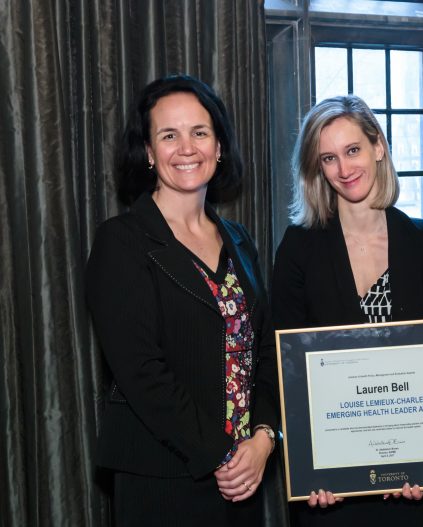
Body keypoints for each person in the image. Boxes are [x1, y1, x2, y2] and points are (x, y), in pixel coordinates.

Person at [272, 95, 423, 527]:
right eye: (328, 158)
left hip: (419, 488)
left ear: (378, 147)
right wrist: (314, 463)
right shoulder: (298, 247)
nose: (344, 169)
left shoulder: (422, 241)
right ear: (317, 169)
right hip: (333, 489)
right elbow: (285, 368)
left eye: (353, 151)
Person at [86, 75, 279, 526]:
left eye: (200, 132)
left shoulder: (239, 240)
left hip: (245, 477)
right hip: (163, 479)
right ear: (149, 152)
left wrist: (265, 439)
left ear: (219, 146)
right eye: (169, 135)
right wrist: (224, 454)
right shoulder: (122, 242)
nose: (186, 147)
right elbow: (142, 373)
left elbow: (266, 351)